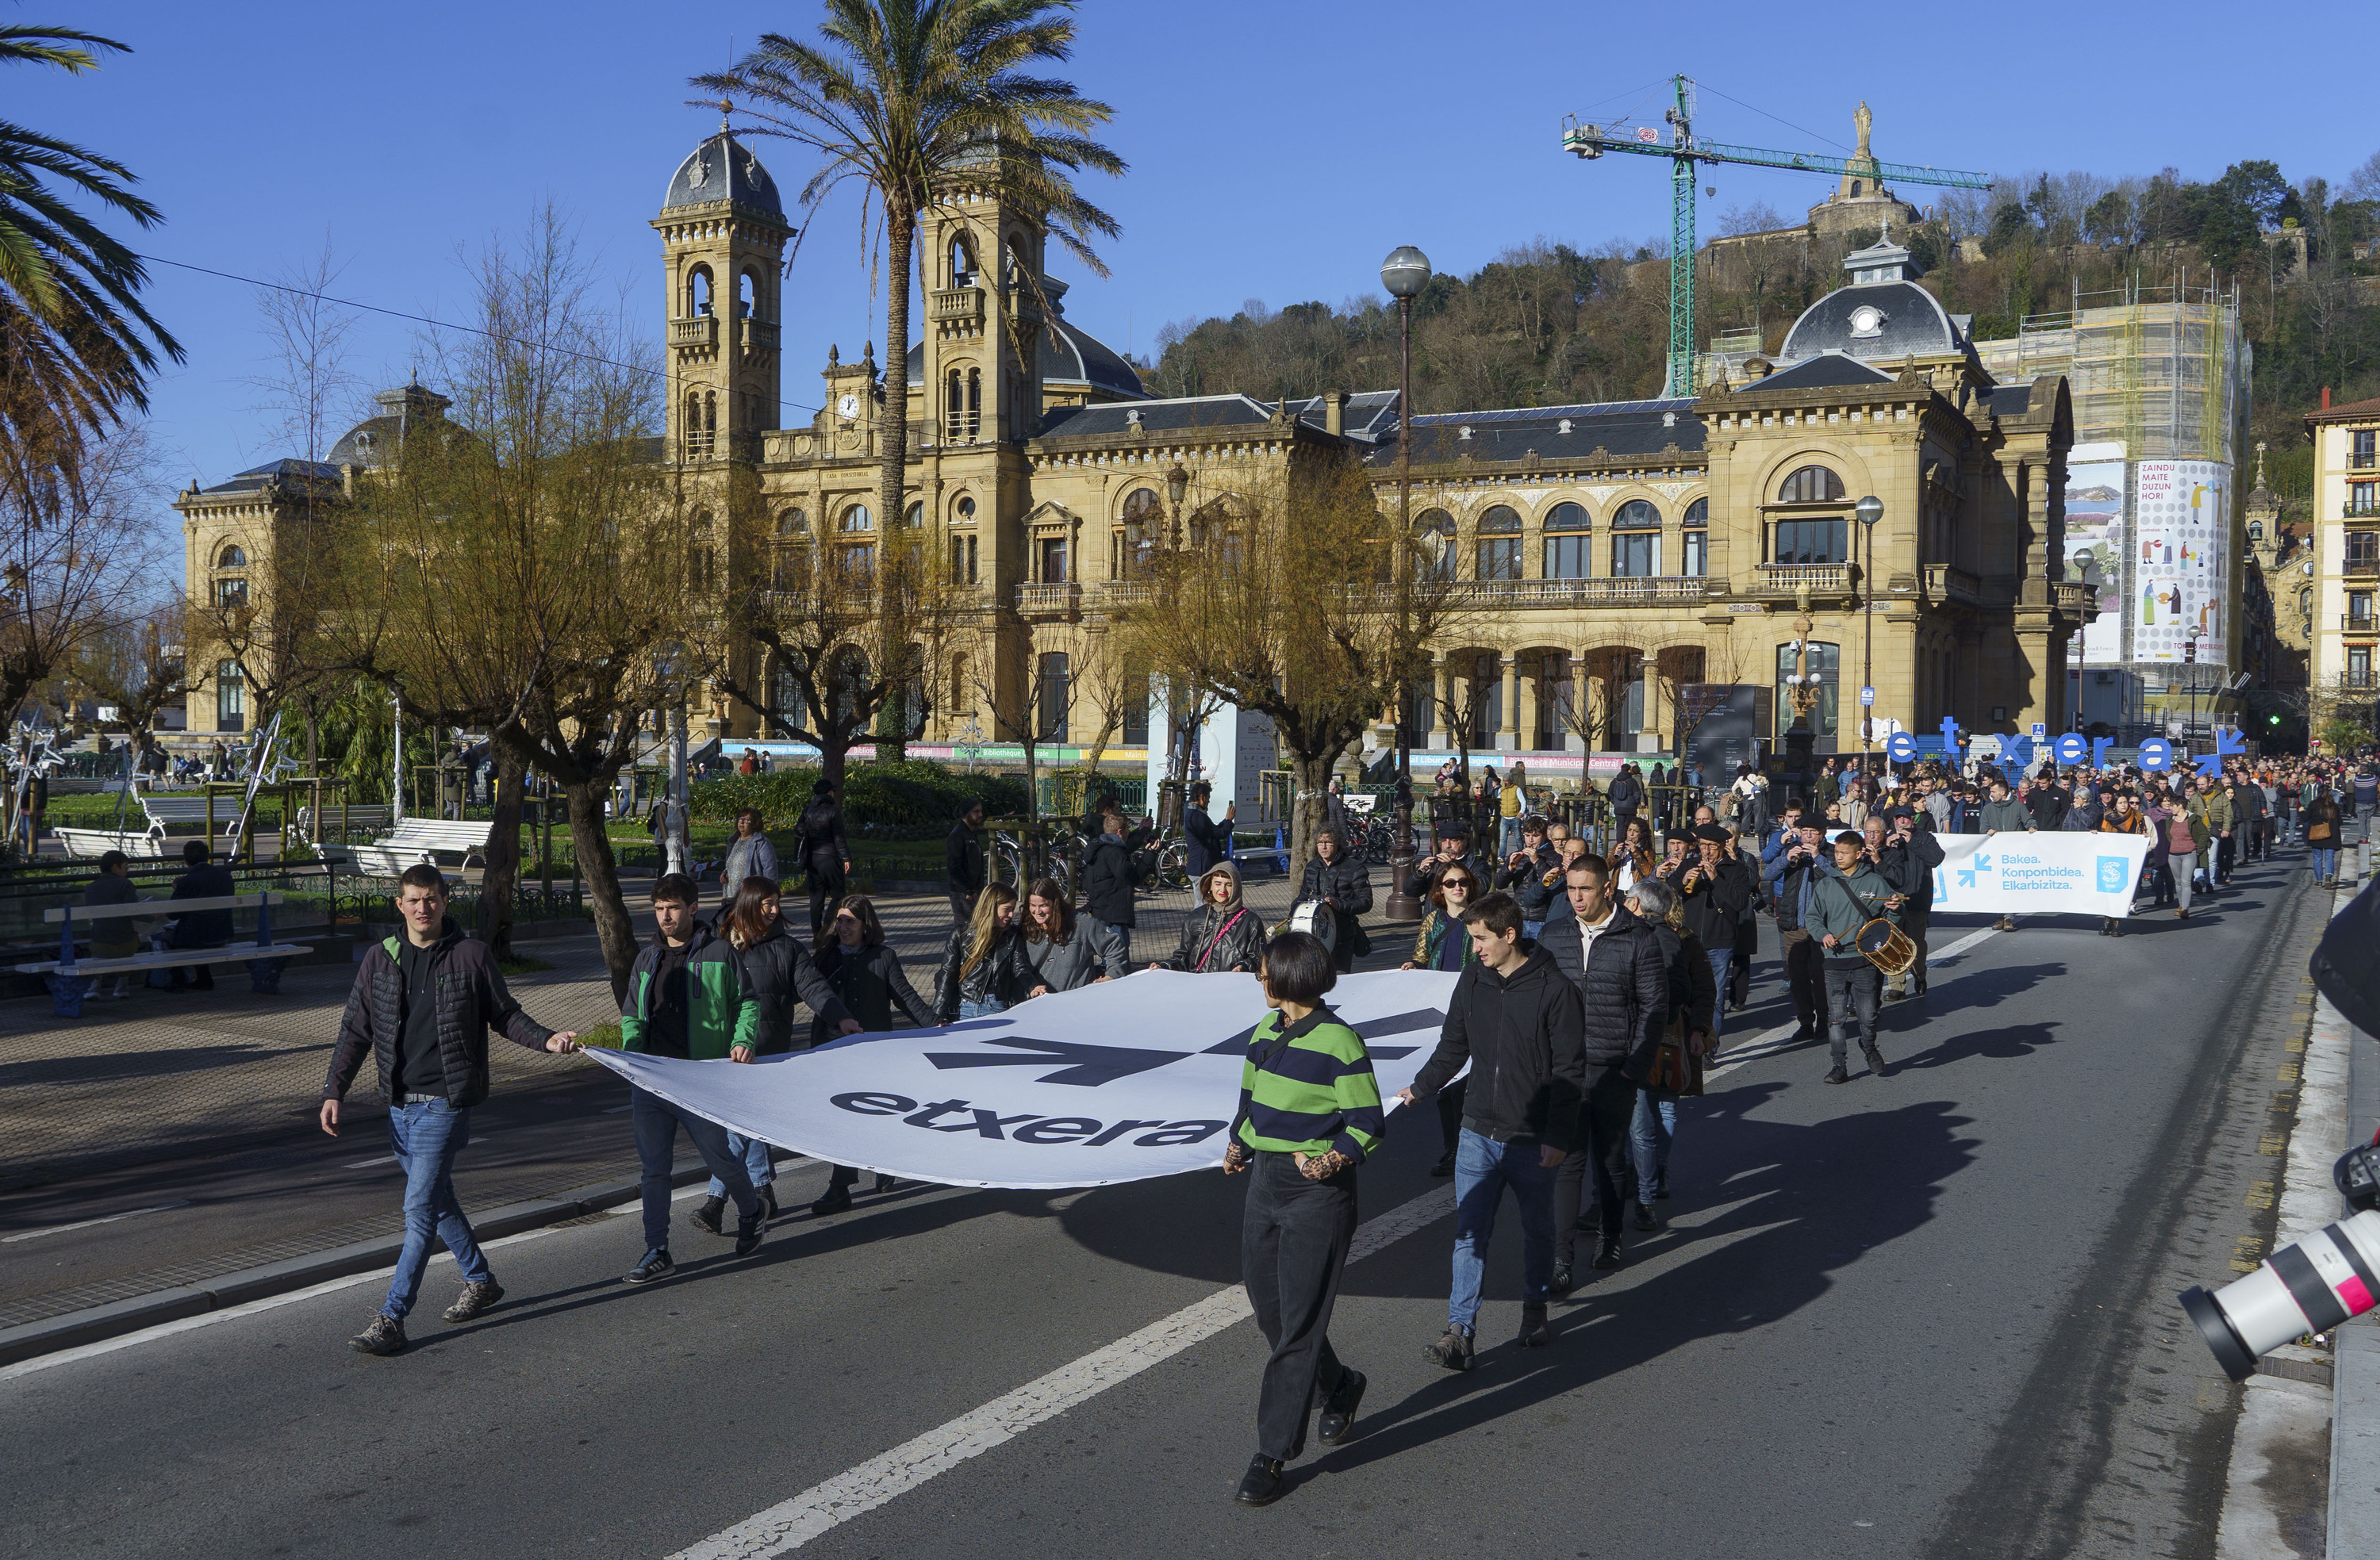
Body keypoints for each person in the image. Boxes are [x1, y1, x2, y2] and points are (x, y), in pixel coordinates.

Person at [321, 865, 579, 1355]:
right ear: (400, 905)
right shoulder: (380, 958)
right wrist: (335, 1089)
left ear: (445, 902)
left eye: (433, 899)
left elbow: (504, 1014)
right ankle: (480, 1279)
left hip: (445, 1104)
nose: (424, 908)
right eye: (414, 900)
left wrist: (547, 1039)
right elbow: (355, 1029)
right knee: (438, 1202)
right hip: (398, 1107)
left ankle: (391, 1317)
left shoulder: (471, 956)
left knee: (418, 1210)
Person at [1224, 930, 1382, 1508]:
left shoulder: (1340, 1042)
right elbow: (1249, 1104)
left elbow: (1368, 1121)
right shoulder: (1265, 1031)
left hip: (1319, 1193)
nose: (1258, 979)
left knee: (1298, 1323)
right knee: (1270, 1308)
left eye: (1263, 970)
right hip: (1266, 1181)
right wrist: (1238, 1144)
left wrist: (1332, 1157)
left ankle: (1271, 1453)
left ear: (1288, 976)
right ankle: (1340, 1383)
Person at [1399, 890, 1583, 1369]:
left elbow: (1569, 1072)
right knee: (1469, 1234)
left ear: (1509, 935)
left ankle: (1535, 1310)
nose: (1475, 948)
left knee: (1537, 1231)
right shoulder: (1473, 980)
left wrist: (1559, 1136)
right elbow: (1452, 1045)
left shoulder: (1556, 991)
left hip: (1531, 1136)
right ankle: (1460, 1332)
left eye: (1481, 939)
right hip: (1477, 1132)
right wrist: (1420, 1087)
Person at [615, 873, 766, 1286]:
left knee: (720, 1158)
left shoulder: (720, 953)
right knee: (654, 1171)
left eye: (673, 908)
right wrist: (632, 1049)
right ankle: (657, 1249)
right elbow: (631, 1012)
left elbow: (748, 1003)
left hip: (702, 1080)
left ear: (693, 908)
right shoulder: (647, 959)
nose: (665, 916)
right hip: (653, 1080)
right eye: (659, 909)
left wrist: (742, 1040)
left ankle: (752, 1210)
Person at [693, 876, 859, 1235]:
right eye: (767, 903)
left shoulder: (788, 949)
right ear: (749, 904)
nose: (774, 910)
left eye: (777, 903)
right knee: (744, 1126)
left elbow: (814, 988)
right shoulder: (719, 945)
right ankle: (762, 1188)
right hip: (726, 1052)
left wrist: (841, 1017)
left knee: (738, 1129)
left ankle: (716, 1202)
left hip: (767, 1055)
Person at [1539, 855, 1667, 1286]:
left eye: (1585, 889)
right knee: (1567, 1161)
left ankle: (1611, 1236)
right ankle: (1560, 1258)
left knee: (1610, 1160)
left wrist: (1635, 1065)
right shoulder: (1554, 935)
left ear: (1607, 888)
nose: (1576, 897)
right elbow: (1538, 1000)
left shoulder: (1637, 936)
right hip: (1565, 1070)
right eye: (1571, 889)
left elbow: (1654, 1007)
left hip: (1615, 1069)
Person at [809, 895, 938, 1214]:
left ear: (866, 925)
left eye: (850, 921)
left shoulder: (884, 956)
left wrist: (937, 1027)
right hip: (833, 1049)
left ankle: (855, 1178)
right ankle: (844, 1186)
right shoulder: (825, 956)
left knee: (868, 1115)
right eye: (839, 920)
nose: (842, 927)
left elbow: (905, 997)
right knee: (841, 1119)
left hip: (872, 1053)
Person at [1622, 876, 1713, 1228]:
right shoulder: (1633, 933)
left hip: (1669, 1036)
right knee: (1643, 1117)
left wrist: (1698, 1028)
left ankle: (1653, 1179)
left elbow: (1698, 988)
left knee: (1661, 1110)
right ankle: (1646, 1174)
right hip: (1650, 1036)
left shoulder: (1678, 939)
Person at [1401, 863, 1483, 1177]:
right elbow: (1421, 956)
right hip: (1441, 1009)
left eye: (1463, 882)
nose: (1457, 887)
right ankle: (1454, 1149)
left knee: (1469, 1083)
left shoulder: (1480, 918)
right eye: (1450, 883)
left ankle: (1474, 1148)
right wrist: (1412, 965)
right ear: (1440, 889)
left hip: (1474, 1004)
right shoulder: (1433, 920)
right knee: (1447, 1087)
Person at [1807, 831, 1902, 1084]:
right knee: (1836, 1018)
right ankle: (1839, 1065)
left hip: (1865, 960)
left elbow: (1889, 921)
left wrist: (1896, 910)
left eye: (1844, 853)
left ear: (1859, 854)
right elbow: (1812, 917)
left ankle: (1869, 1046)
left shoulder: (1875, 882)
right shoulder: (1826, 884)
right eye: (1836, 853)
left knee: (1868, 1015)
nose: (1838, 857)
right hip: (1834, 960)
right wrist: (1823, 934)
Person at [1664, 823, 1751, 1039]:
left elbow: (1739, 902)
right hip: (1687, 940)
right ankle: (1684, 1040)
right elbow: (1665, 895)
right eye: (1703, 846)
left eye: (1712, 846)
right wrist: (1680, 881)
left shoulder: (1737, 869)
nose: (1707, 851)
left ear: (1722, 846)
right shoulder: (1688, 864)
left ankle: (1707, 1047)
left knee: (1714, 997)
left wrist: (1716, 880)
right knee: (1683, 993)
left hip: (1720, 942)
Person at [1764, 819, 1833, 1042]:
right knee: (1797, 977)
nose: (1808, 837)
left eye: (1813, 832)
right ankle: (1806, 1021)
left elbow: (1839, 876)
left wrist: (1817, 858)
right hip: (1794, 923)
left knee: (1821, 977)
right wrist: (1786, 859)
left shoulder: (1831, 853)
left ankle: (1824, 1019)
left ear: (1822, 834)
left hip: (1822, 925)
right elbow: (1769, 874)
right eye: (1805, 832)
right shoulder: (1790, 850)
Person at [934, 883, 1032, 1021]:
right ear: (992, 907)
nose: (1011, 915)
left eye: (1013, 909)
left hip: (996, 1006)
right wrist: (937, 1015)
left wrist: (1032, 986)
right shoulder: (961, 934)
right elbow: (947, 974)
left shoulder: (1012, 935)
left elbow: (1020, 967)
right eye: (1007, 909)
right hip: (964, 1006)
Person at [1019, 877, 1128, 995]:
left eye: (1043, 906)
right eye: (1033, 906)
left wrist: (1112, 976)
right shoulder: (1024, 929)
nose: (1037, 911)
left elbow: (1114, 947)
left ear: (1055, 903)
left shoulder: (1081, 924)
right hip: (1039, 1004)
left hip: (1076, 1003)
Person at [1154, 860, 1269, 973]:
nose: (1222, 890)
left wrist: (1243, 966)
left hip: (1232, 985)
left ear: (1237, 887)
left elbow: (1258, 958)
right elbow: (1184, 956)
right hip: (1199, 984)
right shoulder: (1194, 918)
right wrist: (1163, 966)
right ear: (1210, 886)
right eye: (1218, 884)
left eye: (1229, 884)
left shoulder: (1250, 921)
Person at [1876, 807, 1942, 998]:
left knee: (1915, 944)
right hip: (1893, 901)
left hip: (1917, 899)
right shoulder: (1889, 839)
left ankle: (1920, 975)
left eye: (1905, 818)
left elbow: (1937, 859)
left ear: (1913, 820)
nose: (1902, 822)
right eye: (1898, 819)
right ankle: (1896, 986)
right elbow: (1875, 863)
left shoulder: (1923, 838)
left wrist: (1911, 842)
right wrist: (1885, 848)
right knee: (1892, 944)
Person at [1080, 803, 1157, 966]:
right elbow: (1133, 877)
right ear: (1120, 832)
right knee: (1117, 959)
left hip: (1101, 910)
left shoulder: (1098, 848)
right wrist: (1150, 854)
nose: (1129, 833)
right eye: (1128, 830)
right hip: (1114, 913)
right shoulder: (1115, 852)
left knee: (1108, 955)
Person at [1295, 825, 1373, 972]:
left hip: (1342, 935)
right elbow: (1303, 896)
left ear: (1336, 843)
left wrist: (1339, 905)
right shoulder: (1312, 867)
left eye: (1328, 842)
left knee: (1339, 979)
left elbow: (1366, 902)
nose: (1323, 846)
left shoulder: (1354, 868)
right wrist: (1296, 911)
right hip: (1313, 937)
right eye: (1320, 842)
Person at [165, 838, 236, 991]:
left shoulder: (187, 881)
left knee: (169, 937)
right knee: (202, 925)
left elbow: (172, 914)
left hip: (197, 937)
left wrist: (177, 889)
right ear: (207, 857)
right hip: (223, 933)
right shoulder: (225, 877)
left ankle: (178, 981)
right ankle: (204, 978)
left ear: (186, 860)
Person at [82, 850, 147, 1000]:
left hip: (99, 944)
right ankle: (122, 983)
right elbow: (134, 912)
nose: (126, 871)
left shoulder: (90, 887)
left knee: (100, 940)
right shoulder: (125, 884)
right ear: (115, 867)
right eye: (125, 867)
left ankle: (95, 984)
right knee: (132, 938)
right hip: (124, 943)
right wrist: (153, 917)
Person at [793, 778, 852, 940]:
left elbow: (798, 830)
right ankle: (826, 927)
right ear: (828, 793)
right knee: (838, 894)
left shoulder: (808, 810)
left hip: (813, 859)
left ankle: (815, 932)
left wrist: (810, 835)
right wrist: (846, 858)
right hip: (830, 858)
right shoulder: (833, 810)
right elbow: (839, 838)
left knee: (816, 898)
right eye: (832, 791)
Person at [1978, 778, 2032, 931]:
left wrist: (2032, 827)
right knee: (1996, 885)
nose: (1991, 794)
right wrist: (1987, 832)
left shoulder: (2018, 807)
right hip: (1994, 853)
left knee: (2009, 885)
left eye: (1993, 792)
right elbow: (1982, 828)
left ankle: (2009, 918)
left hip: (2013, 854)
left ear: (2002, 793)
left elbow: (2028, 821)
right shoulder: (1988, 809)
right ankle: (1999, 917)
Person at [1495, 815, 1560, 939]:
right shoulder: (1518, 856)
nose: (1530, 840)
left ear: (1545, 836)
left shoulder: (1554, 857)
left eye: (1535, 836)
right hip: (1519, 918)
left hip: (1542, 918)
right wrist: (1509, 868)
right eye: (1527, 835)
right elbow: (1499, 884)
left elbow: (1553, 885)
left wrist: (1537, 862)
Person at [1403, 822, 1476, 905]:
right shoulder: (1436, 863)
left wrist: (1452, 866)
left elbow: (1479, 889)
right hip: (1435, 915)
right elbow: (1410, 892)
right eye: (1444, 841)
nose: (1448, 845)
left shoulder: (1476, 862)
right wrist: (1419, 875)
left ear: (1464, 842)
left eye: (1454, 840)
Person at [946, 799, 987, 929]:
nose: (980, 814)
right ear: (966, 814)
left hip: (974, 891)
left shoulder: (971, 833)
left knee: (976, 927)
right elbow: (954, 867)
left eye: (981, 811)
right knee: (965, 929)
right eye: (976, 812)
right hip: (963, 894)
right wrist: (968, 889)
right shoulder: (957, 835)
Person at [721, 807, 777, 899]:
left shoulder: (761, 843)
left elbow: (770, 870)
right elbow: (733, 863)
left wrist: (769, 893)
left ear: (755, 823)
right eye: (740, 819)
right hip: (731, 895)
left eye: (747, 820)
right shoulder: (734, 840)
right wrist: (725, 873)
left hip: (750, 896)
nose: (742, 822)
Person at [1183, 781, 1235, 878]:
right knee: (1202, 893)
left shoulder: (1194, 814)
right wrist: (1229, 821)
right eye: (1208, 798)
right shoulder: (1198, 816)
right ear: (1202, 797)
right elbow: (1220, 834)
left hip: (1201, 867)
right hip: (1201, 869)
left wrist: (1226, 820)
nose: (1209, 801)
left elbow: (1213, 831)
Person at [2306, 786, 2344, 887]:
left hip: (2317, 834)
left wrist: (2301, 810)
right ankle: (2328, 876)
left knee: (2317, 858)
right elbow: (2340, 822)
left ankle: (2319, 880)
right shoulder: (2334, 806)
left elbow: (2306, 818)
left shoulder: (2313, 804)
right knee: (2329, 857)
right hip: (2331, 835)